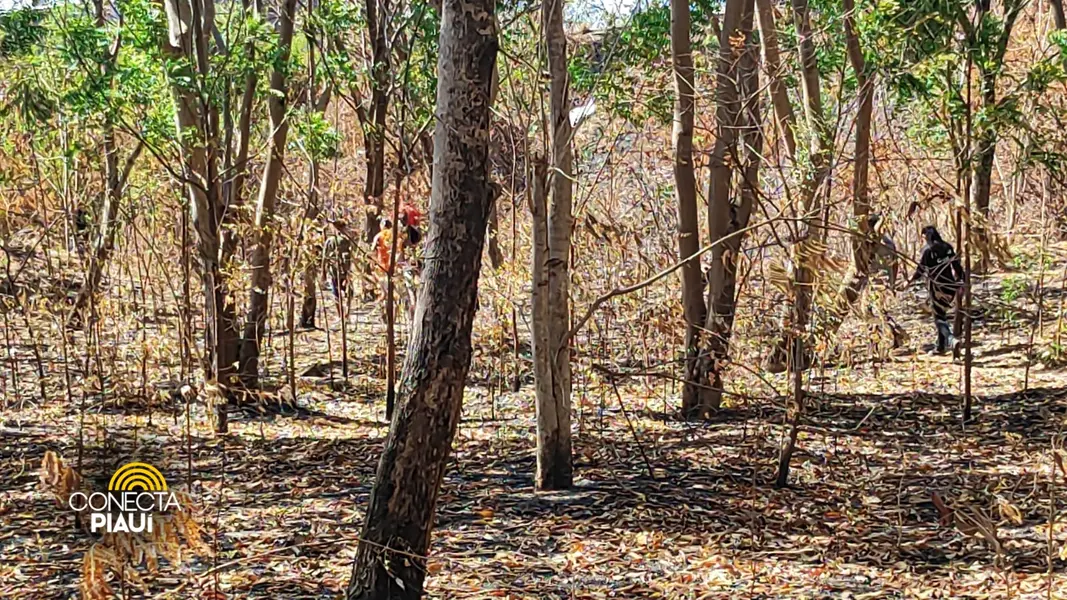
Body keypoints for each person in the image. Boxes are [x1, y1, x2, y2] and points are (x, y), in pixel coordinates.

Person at [904, 225, 966, 356]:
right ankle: (940, 347)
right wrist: (963, 282)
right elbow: (957, 267)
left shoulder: (928, 251)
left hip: (937, 288)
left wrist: (908, 281)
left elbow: (920, 271)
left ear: (925, 236)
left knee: (939, 318)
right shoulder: (947, 247)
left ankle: (951, 340)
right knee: (941, 314)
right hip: (950, 287)